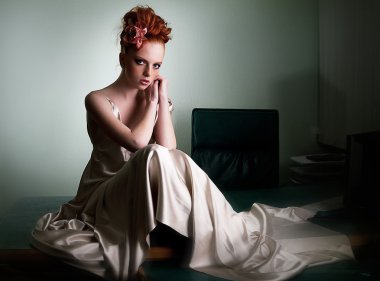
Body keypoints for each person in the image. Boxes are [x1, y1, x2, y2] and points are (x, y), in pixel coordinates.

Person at [31, 5, 354, 281]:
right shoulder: (97, 99)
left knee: (170, 156)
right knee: (153, 154)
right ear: (123, 57)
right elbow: (138, 143)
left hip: (142, 191)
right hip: (103, 194)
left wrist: (162, 96)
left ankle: (218, 230)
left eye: (156, 65)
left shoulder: (154, 94)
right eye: (140, 61)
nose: (148, 72)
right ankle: (209, 229)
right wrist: (151, 106)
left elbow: (169, 149)